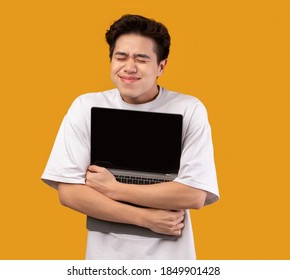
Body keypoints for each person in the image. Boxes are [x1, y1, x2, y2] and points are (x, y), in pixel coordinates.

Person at [41, 14, 219, 259]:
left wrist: (114, 189)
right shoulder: (86, 106)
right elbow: (69, 192)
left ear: (161, 66)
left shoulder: (189, 109)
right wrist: (146, 218)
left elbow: (194, 194)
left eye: (141, 59)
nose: (129, 67)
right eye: (120, 57)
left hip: (170, 261)